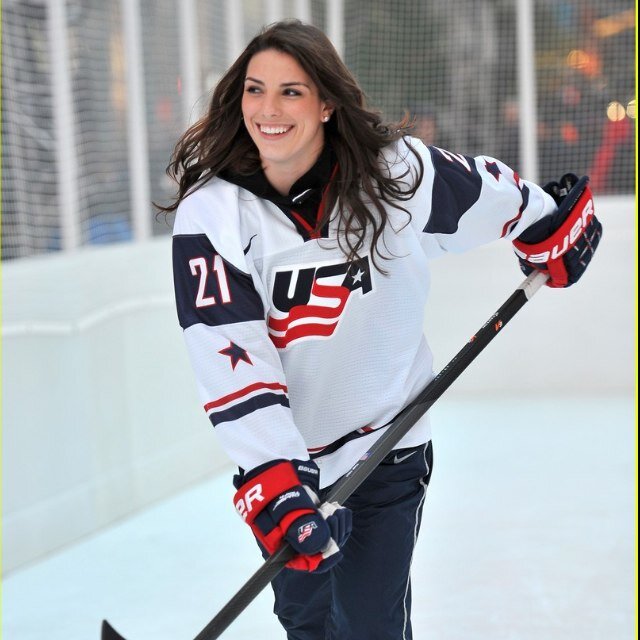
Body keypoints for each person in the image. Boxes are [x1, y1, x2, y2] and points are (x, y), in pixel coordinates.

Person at [161, 20, 601, 640]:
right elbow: (230, 354)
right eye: (255, 90)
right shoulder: (214, 214)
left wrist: (548, 224)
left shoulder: (393, 173)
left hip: (388, 446)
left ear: (326, 103)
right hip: (295, 459)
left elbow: (484, 191)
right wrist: (275, 474)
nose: (268, 109)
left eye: (291, 91)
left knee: (370, 625)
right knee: (306, 621)